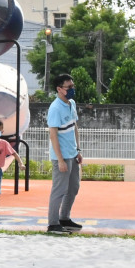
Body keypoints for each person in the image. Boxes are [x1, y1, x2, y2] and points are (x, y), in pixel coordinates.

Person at [46, 74, 83, 234]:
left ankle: (64, 218)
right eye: (69, 87)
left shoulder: (71, 103)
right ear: (59, 89)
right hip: (61, 156)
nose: (72, 89)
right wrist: (60, 160)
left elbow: (74, 126)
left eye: (72, 86)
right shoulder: (55, 108)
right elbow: (53, 135)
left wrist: (78, 150)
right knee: (59, 189)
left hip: (73, 154)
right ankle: (53, 224)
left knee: (73, 187)